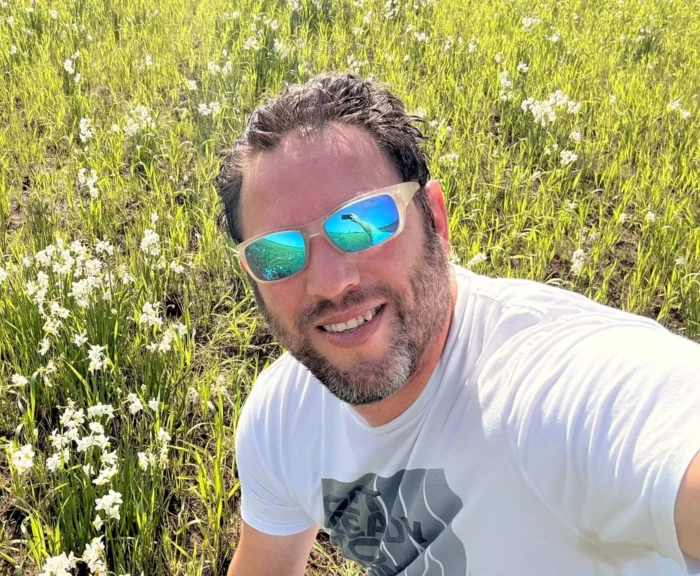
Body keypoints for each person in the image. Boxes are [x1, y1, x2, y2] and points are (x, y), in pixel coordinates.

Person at [215, 72, 700, 575]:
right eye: (277, 254)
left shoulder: (553, 387)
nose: (331, 283)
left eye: (363, 223)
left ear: (437, 221)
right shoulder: (280, 421)